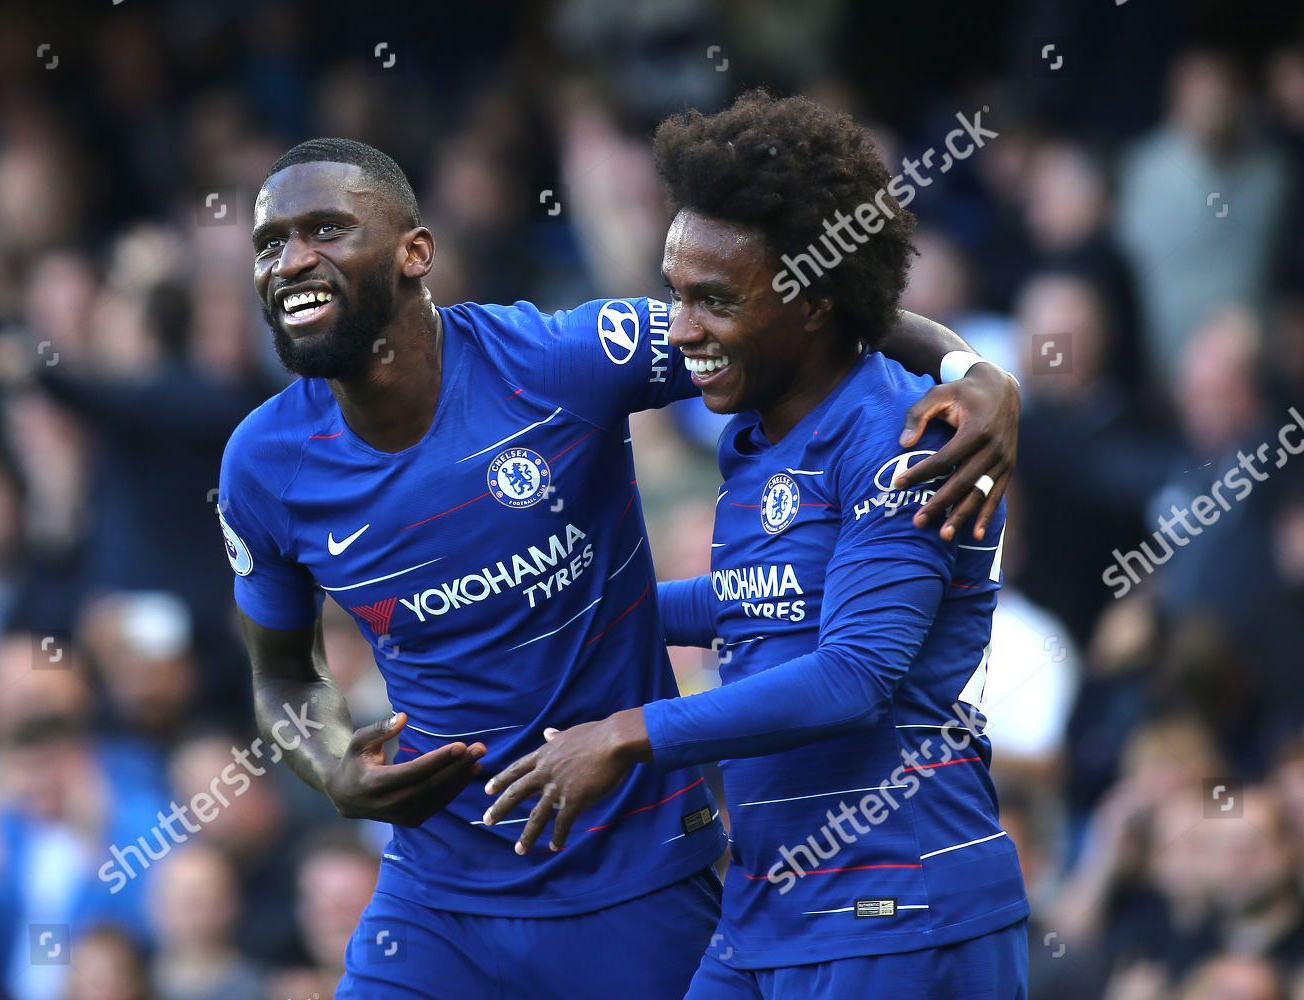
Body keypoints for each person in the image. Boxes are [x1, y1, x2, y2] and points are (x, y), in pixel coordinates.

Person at [220, 125, 1020, 998]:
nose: (291, 259)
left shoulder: (564, 361)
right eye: (269, 243)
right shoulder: (262, 467)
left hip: (653, 877)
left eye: (324, 230)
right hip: (437, 895)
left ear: (416, 252)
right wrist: (333, 760)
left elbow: (787, 310)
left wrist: (972, 369)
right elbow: (284, 677)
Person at [484, 93, 1027, 998]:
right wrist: (566, 612)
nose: (681, 329)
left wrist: (623, 735)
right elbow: (763, 600)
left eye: (713, 301)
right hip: (770, 907)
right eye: (674, 295)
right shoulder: (760, 431)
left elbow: (853, 675)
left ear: (812, 305)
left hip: (895, 905)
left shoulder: (905, 435)